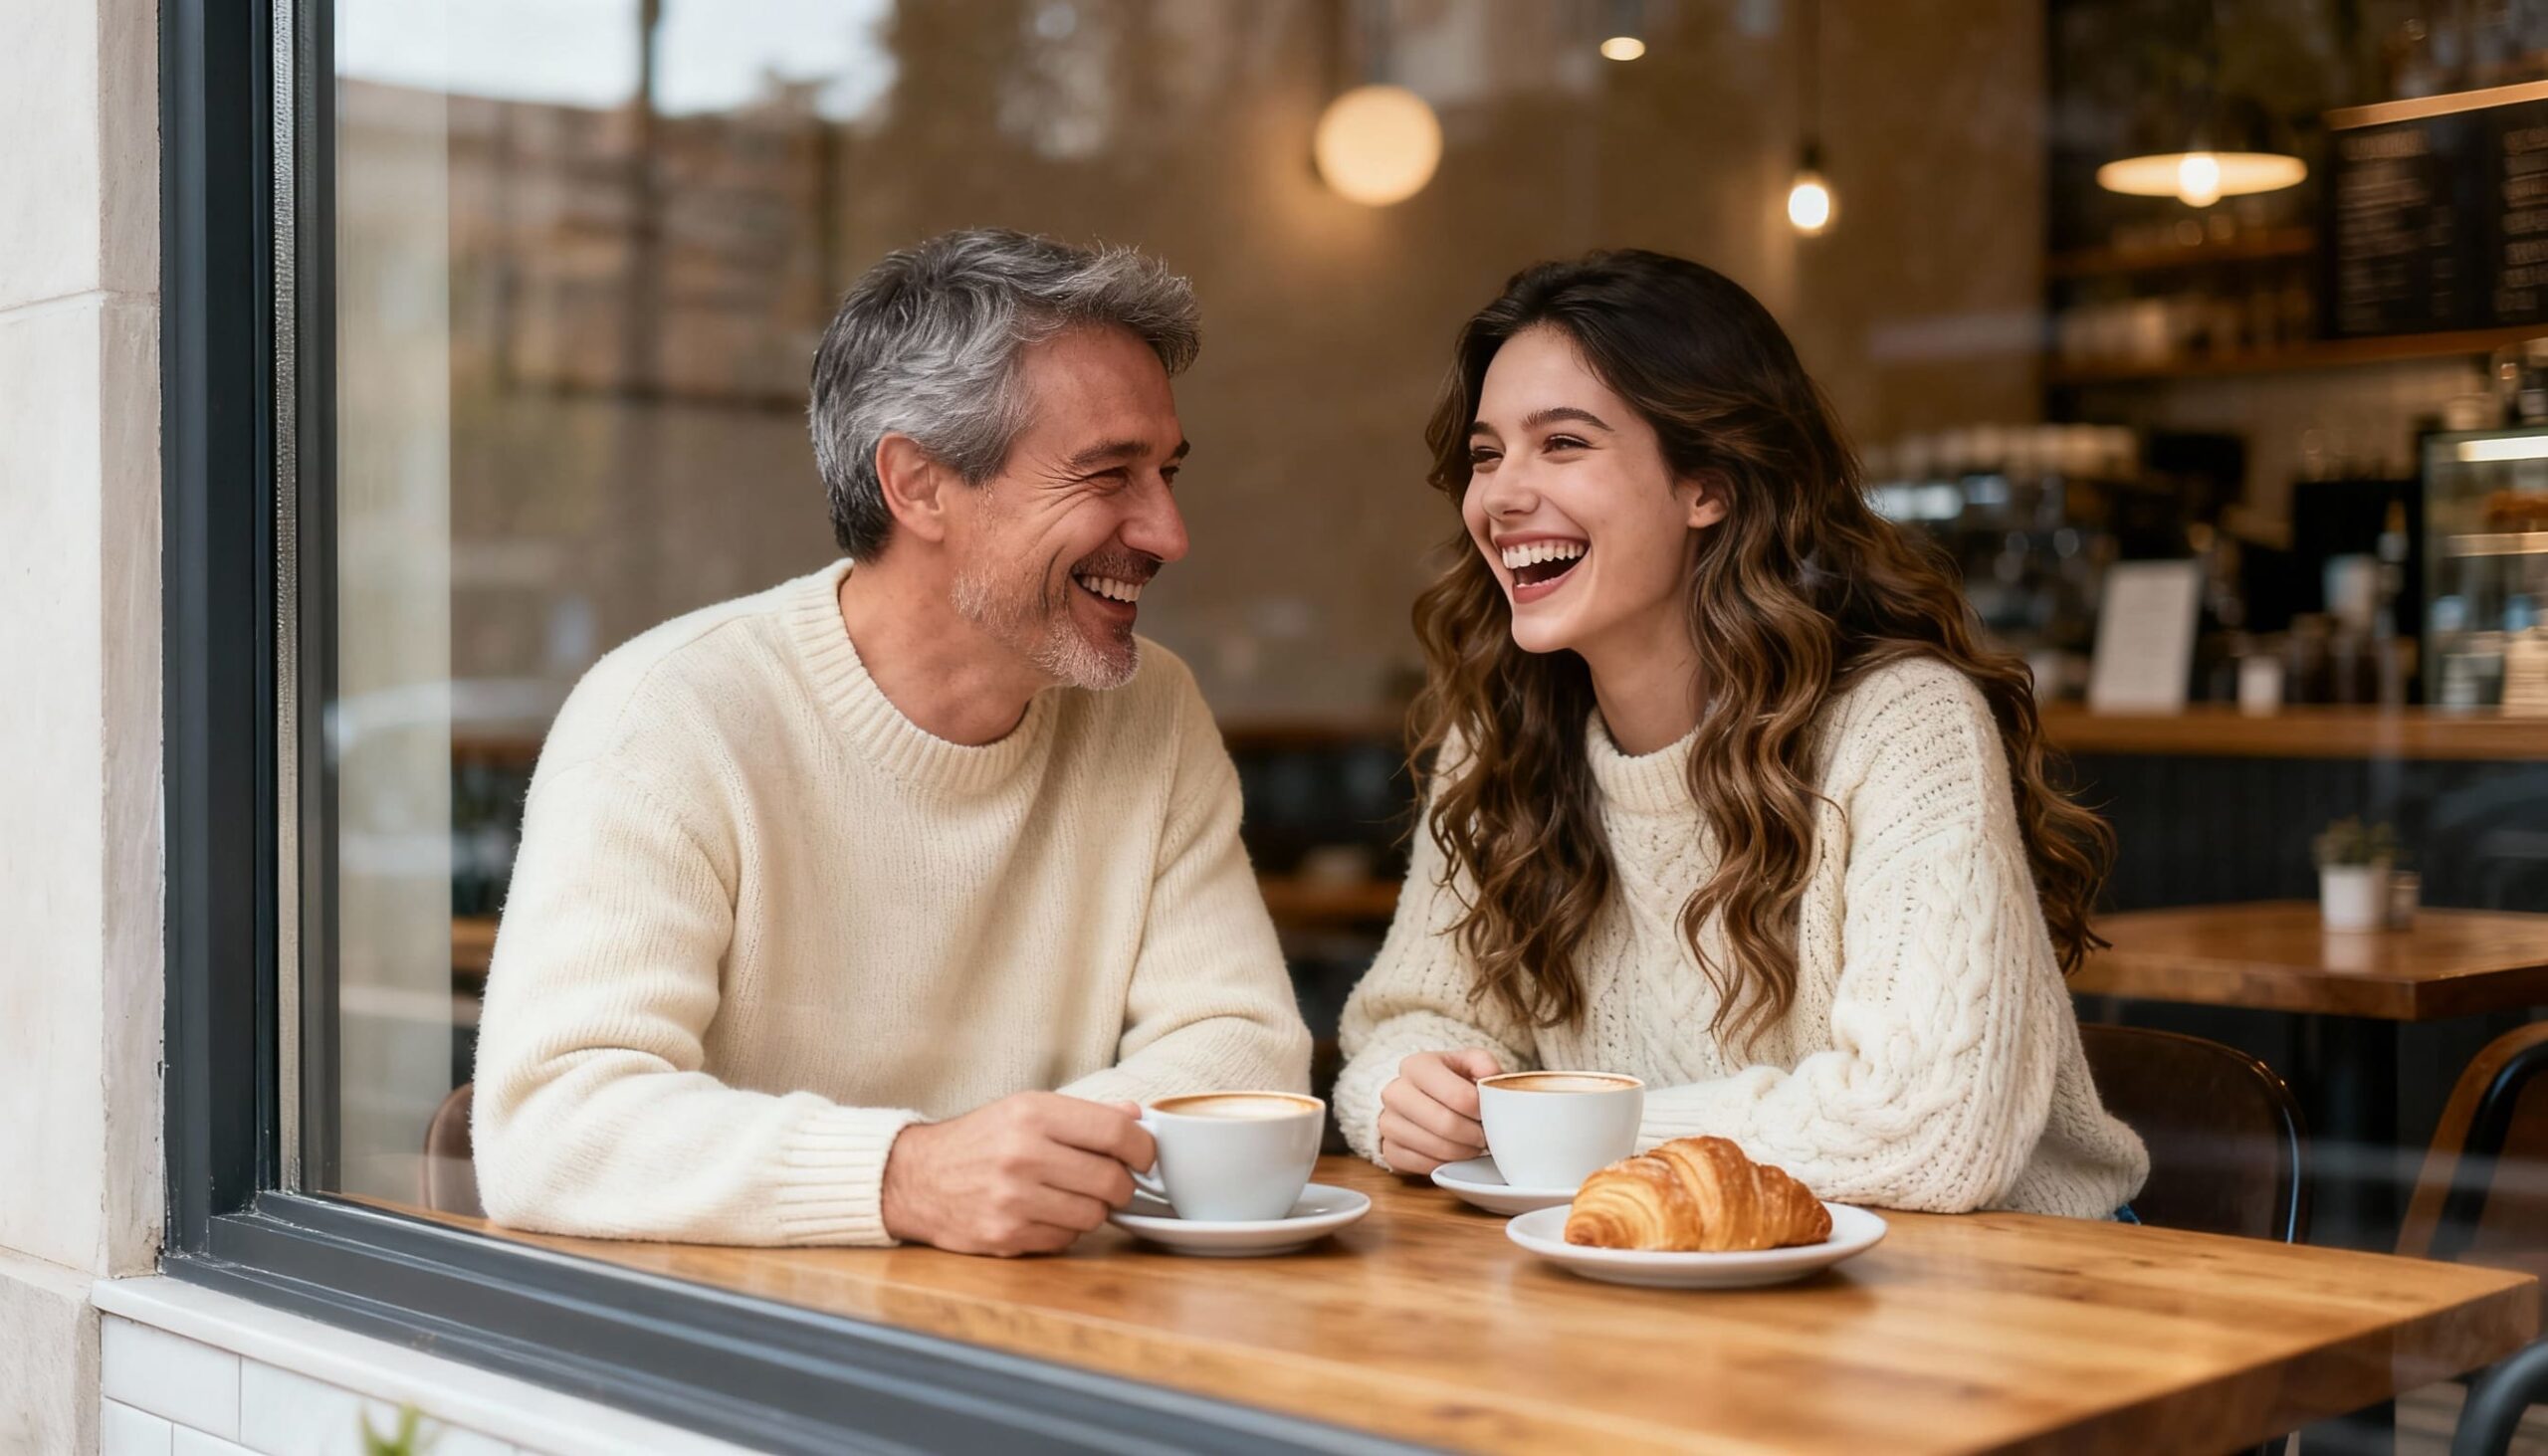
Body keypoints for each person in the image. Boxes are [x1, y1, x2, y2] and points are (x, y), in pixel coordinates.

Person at [473, 229, 1311, 1255]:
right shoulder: (669, 712)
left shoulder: (1151, 708)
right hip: (738, 1361)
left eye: (1166, 472)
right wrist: (908, 1174)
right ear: (917, 484)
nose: (1167, 531)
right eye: (1108, 476)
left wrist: (1028, 1169)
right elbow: (551, 1126)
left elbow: (1244, 1053)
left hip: (1056, 1326)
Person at [1333, 250, 2147, 1218]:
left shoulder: (1902, 726)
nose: (1500, 496)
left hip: (2016, 1293)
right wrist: (1405, 1091)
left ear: (1706, 484)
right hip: (1679, 1268)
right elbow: (1406, 1018)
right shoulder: (1502, 737)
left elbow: (1931, 1129)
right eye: (1485, 452)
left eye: (1561, 444)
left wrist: (1563, 1129)